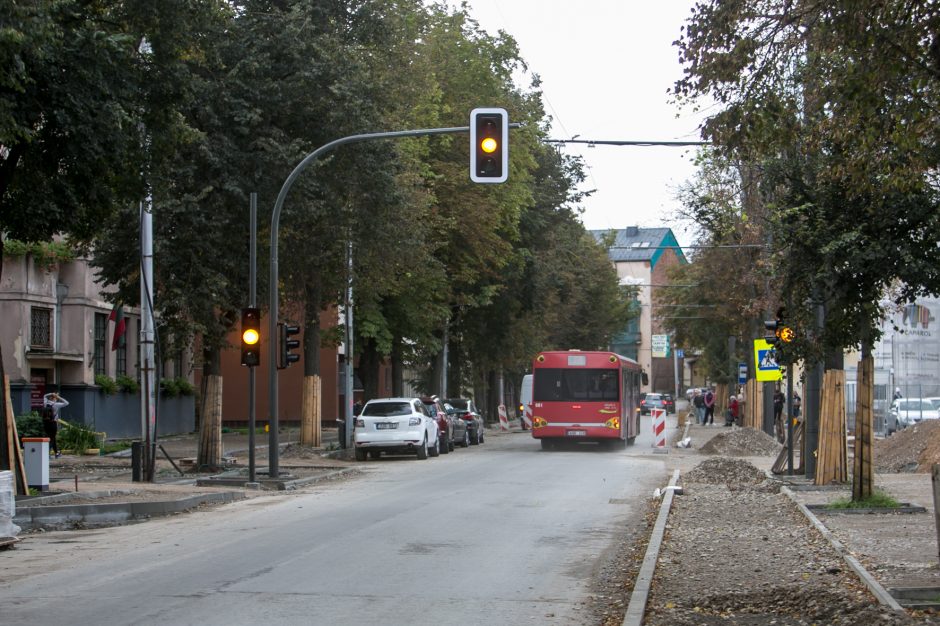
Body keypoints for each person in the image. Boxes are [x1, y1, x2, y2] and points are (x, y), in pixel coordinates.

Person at [42, 392, 69, 458]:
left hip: (46, 423)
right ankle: (47, 453)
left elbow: (44, 395)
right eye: (56, 398)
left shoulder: (46, 403)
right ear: (55, 398)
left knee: (50, 438)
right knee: (52, 438)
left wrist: (51, 393)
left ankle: (56, 453)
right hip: (53, 423)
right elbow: (66, 403)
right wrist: (58, 397)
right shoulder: (56, 404)